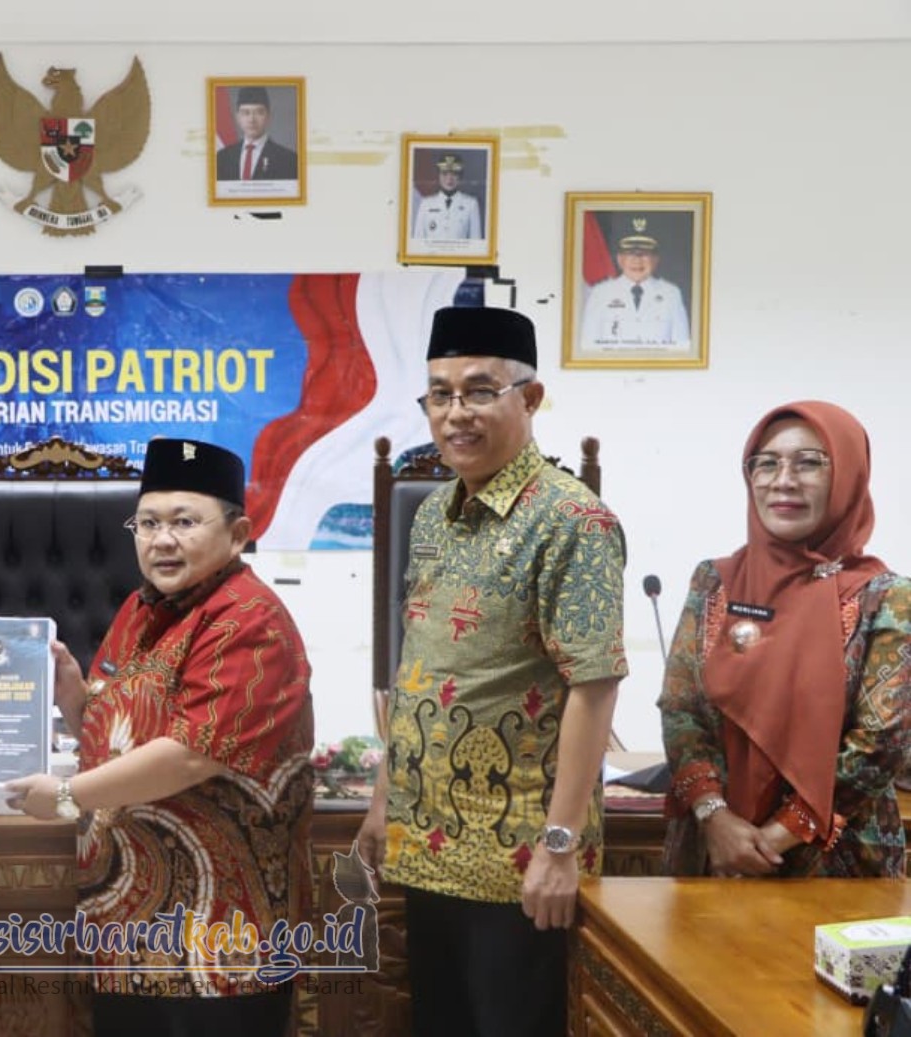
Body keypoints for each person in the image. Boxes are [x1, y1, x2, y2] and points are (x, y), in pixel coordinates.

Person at [358, 306, 627, 1037]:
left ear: (530, 398)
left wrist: (560, 847)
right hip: (427, 844)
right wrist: (384, 798)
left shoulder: (574, 521)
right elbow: (419, 664)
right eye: (440, 394)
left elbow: (594, 686)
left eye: (479, 391)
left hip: (519, 858)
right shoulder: (433, 515)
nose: (456, 414)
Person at [5, 438, 315, 1036]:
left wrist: (67, 796)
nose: (161, 540)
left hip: (218, 945)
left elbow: (189, 756)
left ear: (238, 534)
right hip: (131, 934)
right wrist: (73, 696)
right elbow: (120, 738)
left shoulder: (249, 619)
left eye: (184, 522)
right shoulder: (142, 608)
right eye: (147, 523)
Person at [659, 401, 911, 878]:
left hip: (838, 867)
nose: (784, 480)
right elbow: (681, 709)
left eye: (809, 463)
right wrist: (715, 818)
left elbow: (881, 742)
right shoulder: (714, 582)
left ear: (849, 477)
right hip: (711, 856)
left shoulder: (886, 599)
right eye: (767, 463)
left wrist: (775, 837)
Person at [578, 223, 691, 347]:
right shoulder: (600, 294)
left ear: (655, 259)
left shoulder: (671, 294)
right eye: (630, 253)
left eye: (645, 254)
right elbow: (589, 346)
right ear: (620, 259)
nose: (637, 260)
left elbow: (681, 346)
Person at [215, 86, 299, 181]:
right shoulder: (222, 158)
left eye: (259, 112)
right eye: (246, 113)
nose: (252, 120)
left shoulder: (289, 160)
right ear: (238, 117)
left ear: (268, 116)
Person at [410, 154, 483, 240]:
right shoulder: (426, 204)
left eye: (454, 174)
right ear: (438, 176)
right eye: (444, 174)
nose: (449, 179)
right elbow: (418, 240)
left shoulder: (471, 204)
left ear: (460, 176)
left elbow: (475, 241)